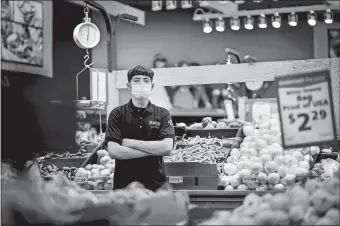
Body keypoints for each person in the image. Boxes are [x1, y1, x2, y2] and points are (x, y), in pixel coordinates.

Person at [105, 65, 175, 192]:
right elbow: (114, 151)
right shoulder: (117, 114)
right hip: (124, 187)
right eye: (136, 80)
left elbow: (167, 148)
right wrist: (154, 151)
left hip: (156, 186)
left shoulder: (163, 114)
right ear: (129, 86)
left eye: (146, 80)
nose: (142, 84)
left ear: (152, 86)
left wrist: (129, 143)